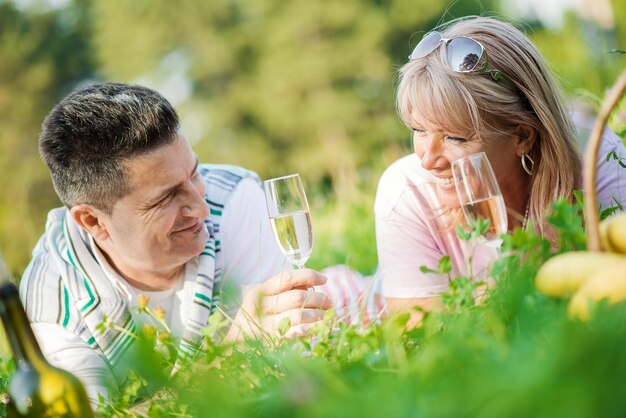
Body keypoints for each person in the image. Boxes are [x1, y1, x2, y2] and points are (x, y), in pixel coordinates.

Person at [19, 82, 332, 405]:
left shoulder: (234, 201)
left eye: (195, 174)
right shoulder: (52, 308)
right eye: (167, 197)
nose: (202, 208)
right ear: (93, 222)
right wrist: (228, 357)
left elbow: (294, 371)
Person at [375, 16, 626, 325]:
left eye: (455, 137)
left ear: (522, 136)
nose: (428, 160)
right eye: (418, 129)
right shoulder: (406, 190)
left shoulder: (593, 156)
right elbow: (419, 339)